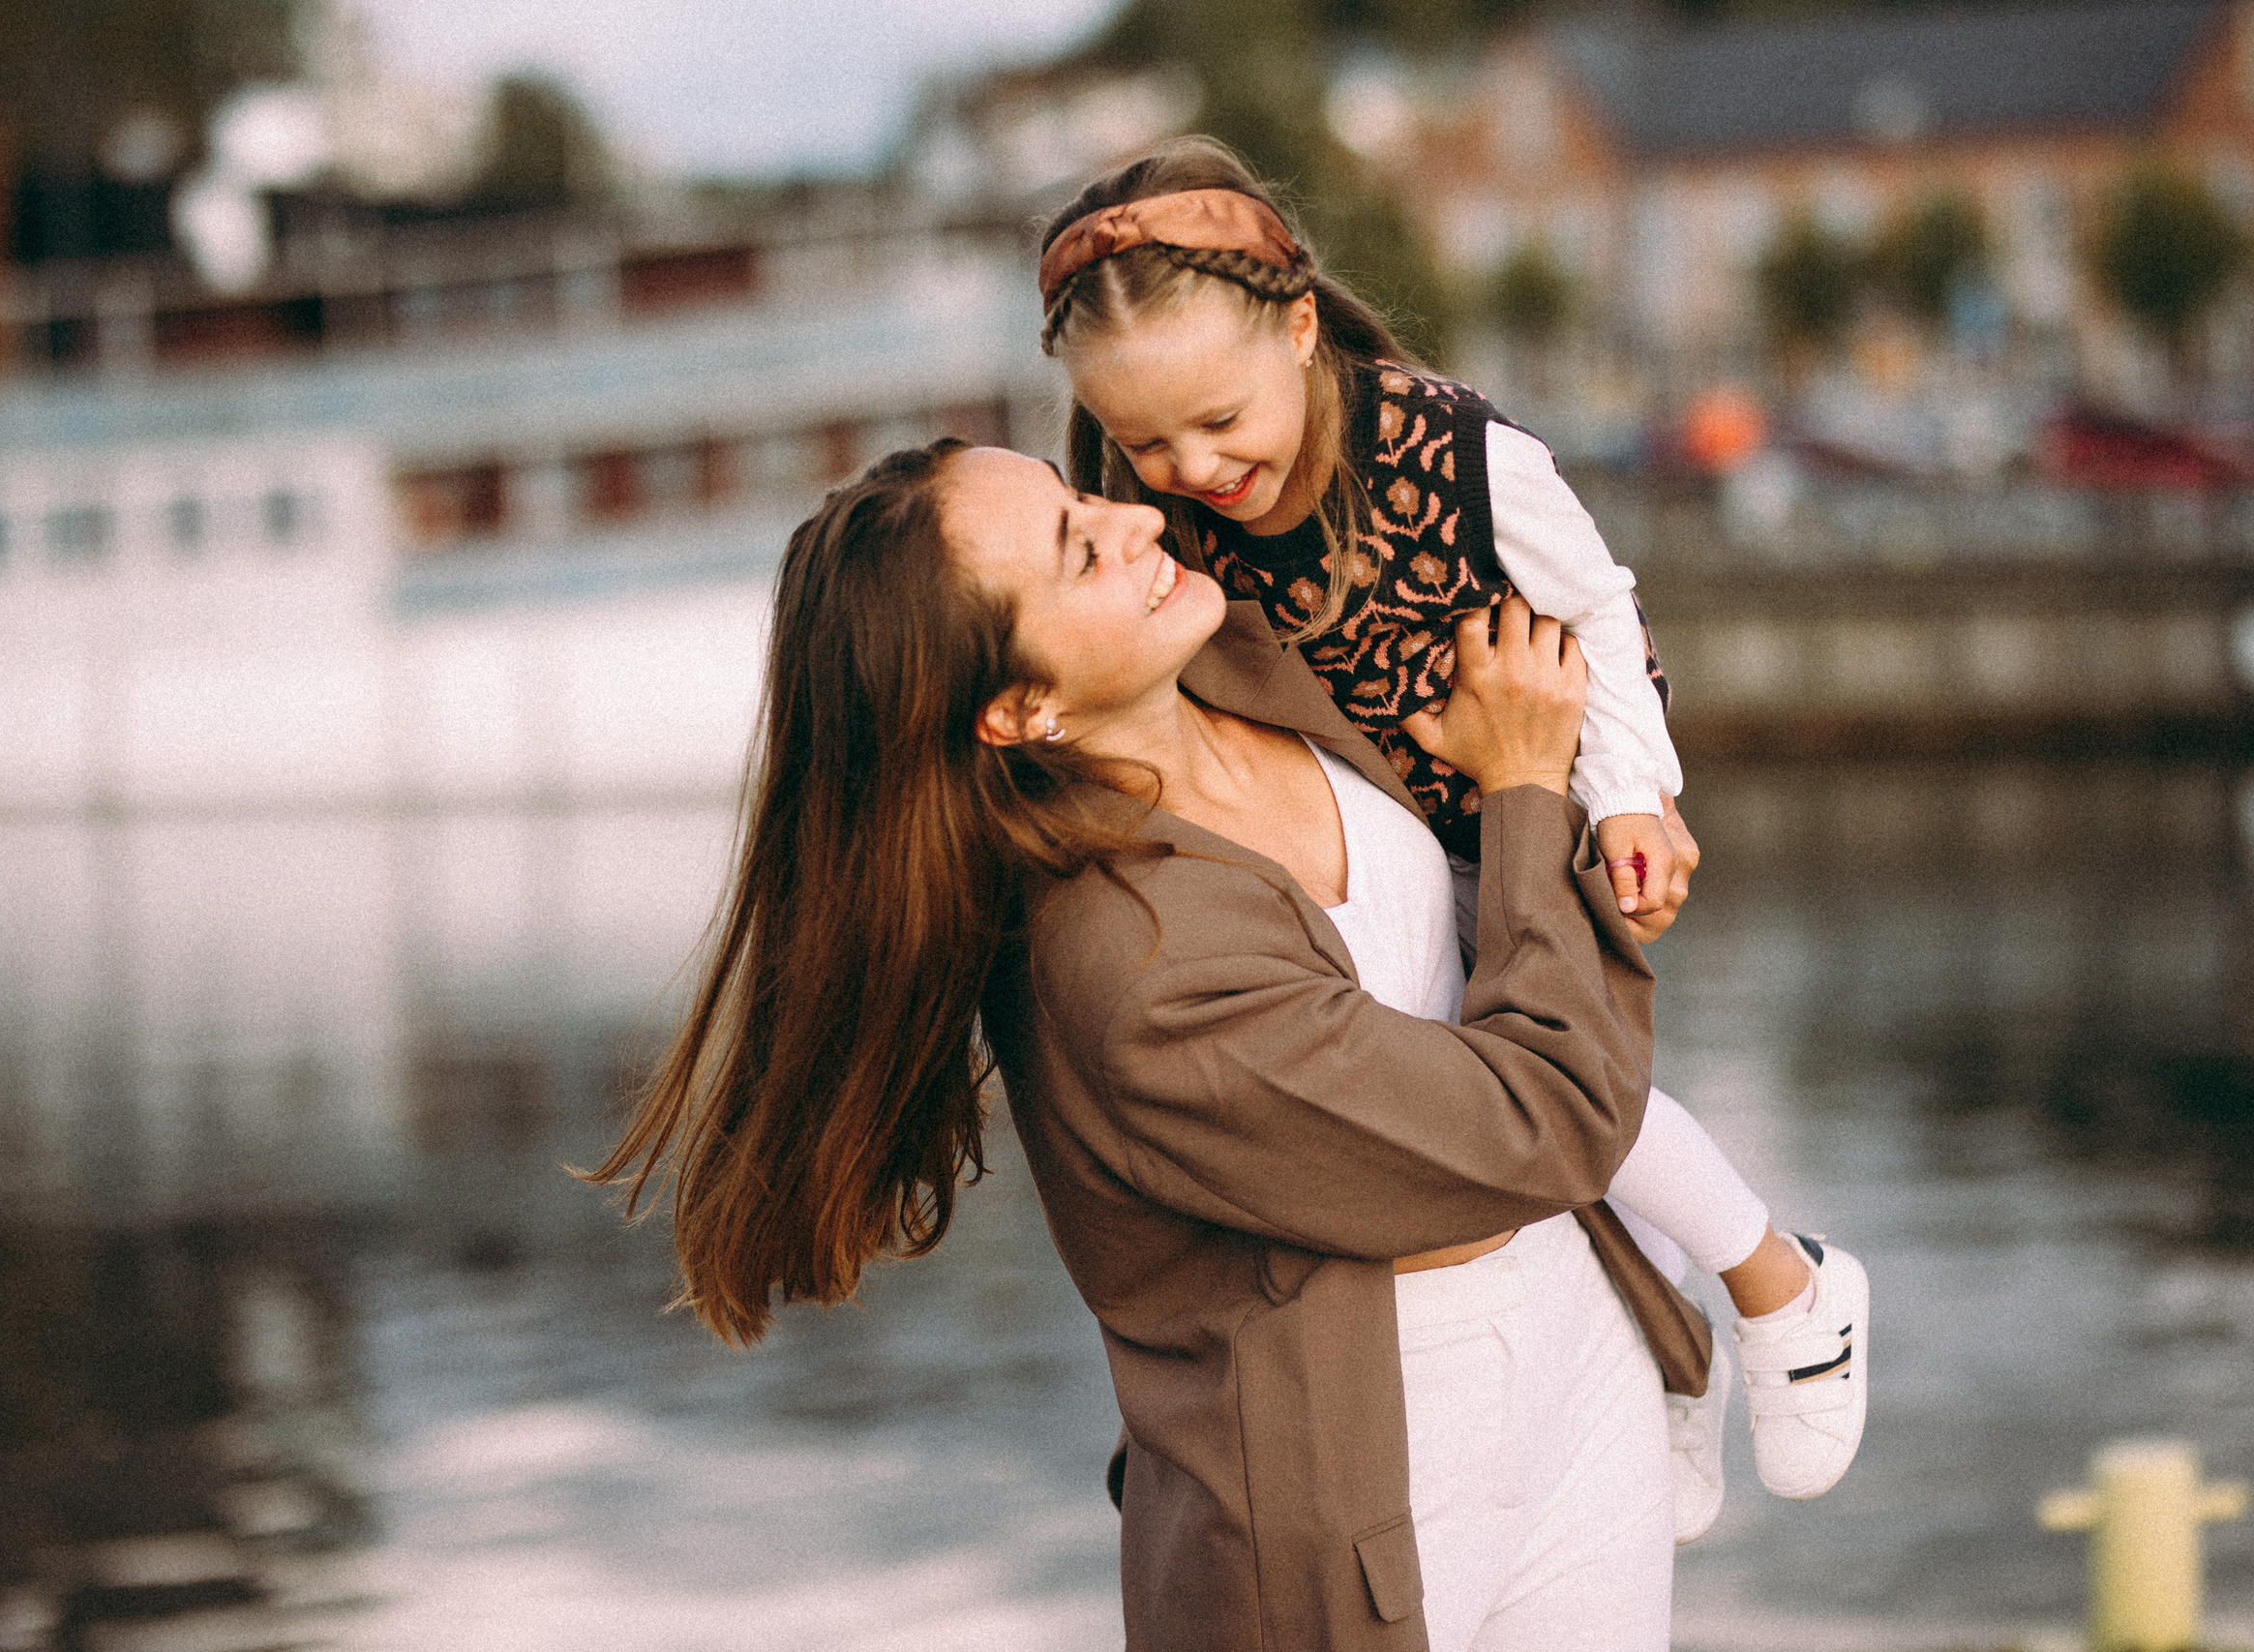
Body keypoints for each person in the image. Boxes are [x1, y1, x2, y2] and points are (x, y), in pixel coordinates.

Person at [590, 436, 1706, 1650]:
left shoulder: (1254, 659)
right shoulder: (1134, 968)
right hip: (1363, 1506)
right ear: (1021, 708)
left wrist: (1619, 793)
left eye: (1082, 497)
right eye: (1080, 551)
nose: (1134, 523)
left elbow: (1239, 366)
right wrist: (1531, 791)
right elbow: (1540, 1126)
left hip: (1575, 1377)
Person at [1034, 136, 1867, 1529]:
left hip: (1526, 809)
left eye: (1220, 420)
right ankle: (1674, 1354)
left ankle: (1783, 1284)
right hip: (1373, 836)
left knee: (1540, 1103)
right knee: (1483, 1117)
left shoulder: (1454, 447)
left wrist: (1636, 795)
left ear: (1300, 330)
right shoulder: (1146, 496)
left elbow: (1599, 612)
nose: (1192, 466)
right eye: (1146, 439)